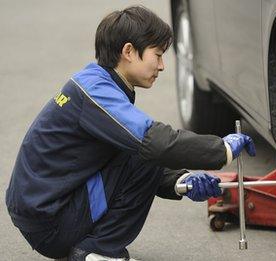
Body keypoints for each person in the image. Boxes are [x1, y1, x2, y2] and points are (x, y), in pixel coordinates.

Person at [5, 5, 256, 260]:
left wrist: (182, 183)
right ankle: (100, 251)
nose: (162, 66)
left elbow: (129, 157)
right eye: (157, 55)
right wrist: (220, 149)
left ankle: (94, 246)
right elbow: (153, 143)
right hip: (52, 221)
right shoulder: (97, 93)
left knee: (141, 147)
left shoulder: (95, 82)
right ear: (128, 51)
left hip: (44, 212)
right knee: (148, 146)